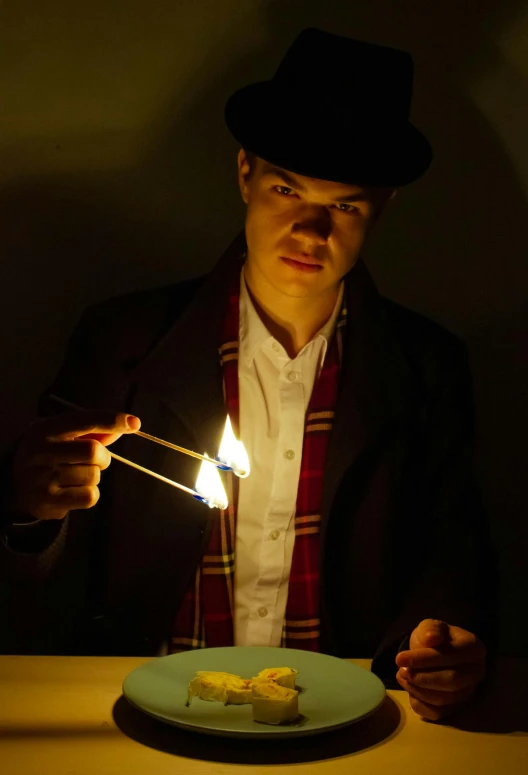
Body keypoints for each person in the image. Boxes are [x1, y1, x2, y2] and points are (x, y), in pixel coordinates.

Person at [0, 29, 492, 722]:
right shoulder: (123, 339)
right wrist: (30, 504)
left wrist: (440, 633)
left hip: (341, 717)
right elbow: (35, 567)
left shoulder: (427, 366)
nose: (311, 229)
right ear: (243, 176)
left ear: (383, 207)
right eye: (286, 188)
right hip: (144, 707)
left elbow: (453, 546)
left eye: (344, 205)